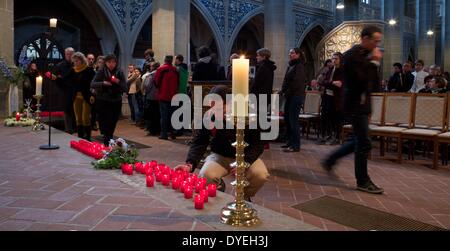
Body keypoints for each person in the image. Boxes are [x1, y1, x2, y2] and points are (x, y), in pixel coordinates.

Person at [174, 85, 270, 201]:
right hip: (221, 155)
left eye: (220, 108)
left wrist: (246, 162)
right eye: (212, 107)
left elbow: (258, 144)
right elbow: (200, 142)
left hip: (246, 156)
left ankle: (244, 198)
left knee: (260, 175)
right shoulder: (210, 116)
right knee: (205, 176)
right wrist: (190, 164)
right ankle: (219, 186)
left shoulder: (248, 116)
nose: (214, 112)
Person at [322, 25, 385, 195]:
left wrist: (370, 106)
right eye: (375, 41)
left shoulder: (367, 56)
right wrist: (374, 62)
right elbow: (360, 82)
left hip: (364, 105)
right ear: (365, 38)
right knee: (364, 142)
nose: (377, 44)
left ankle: (330, 159)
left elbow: (374, 84)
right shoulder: (351, 56)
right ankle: (363, 181)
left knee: (360, 140)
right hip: (355, 104)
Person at [91, 54, 126, 146]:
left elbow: (125, 87)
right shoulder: (102, 71)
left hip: (116, 101)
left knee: (113, 121)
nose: (111, 64)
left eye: (113, 62)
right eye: (109, 62)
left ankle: (109, 138)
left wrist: (117, 82)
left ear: (116, 62)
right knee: (105, 122)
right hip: (103, 100)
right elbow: (93, 84)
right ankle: (108, 141)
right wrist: (103, 83)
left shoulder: (119, 72)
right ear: (106, 63)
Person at [280, 48, 307, 153]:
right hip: (290, 96)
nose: (290, 54)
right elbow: (286, 80)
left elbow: (297, 83)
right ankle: (290, 142)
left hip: (296, 96)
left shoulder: (299, 66)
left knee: (293, 121)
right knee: (287, 119)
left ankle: (295, 146)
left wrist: (287, 92)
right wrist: (283, 90)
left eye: (292, 53)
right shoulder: (292, 65)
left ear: (298, 55)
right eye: (290, 52)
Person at [69, 52, 96, 141]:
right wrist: (56, 78)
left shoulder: (89, 70)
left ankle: (88, 138)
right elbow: (67, 81)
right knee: (78, 118)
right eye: (74, 61)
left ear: (81, 60)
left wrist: (92, 94)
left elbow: (93, 84)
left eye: (77, 61)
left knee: (85, 118)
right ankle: (80, 137)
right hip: (76, 97)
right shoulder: (73, 70)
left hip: (87, 97)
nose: (75, 63)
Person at [320, 52, 345, 146]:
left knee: (336, 119)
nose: (334, 60)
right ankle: (328, 135)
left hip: (337, 98)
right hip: (327, 97)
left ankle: (337, 137)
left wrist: (331, 83)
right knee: (327, 117)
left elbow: (341, 85)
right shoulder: (330, 69)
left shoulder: (343, 70)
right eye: (333, 58)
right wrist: (332, 83)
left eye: (336, 58)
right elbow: (323, 82)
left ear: (340, 59)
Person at [154, 55, 179, 140]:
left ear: (165, 60)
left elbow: (156, 82)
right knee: (173, 116)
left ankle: (164, 134)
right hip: (173, 96)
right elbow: (178, 82)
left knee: (164, 116)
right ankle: (172, 133)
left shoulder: (161, 69)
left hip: (163, 95)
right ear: (171, 61)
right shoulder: (175, 70)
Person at [53, 47, 75, 134]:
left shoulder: (77, 64)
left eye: (71, 54)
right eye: (68, 54)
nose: (69, 56)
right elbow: (54, 78)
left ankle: (76, 128)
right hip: (65, 91)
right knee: (67, 110)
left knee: (75, 110)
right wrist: (61, 85)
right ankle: (68, 129)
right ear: (65, 55)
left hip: (76, 91)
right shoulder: (60, 65)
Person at [143, 62, 161, 136]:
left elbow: (147, 86)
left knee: (151, 114)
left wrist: (145, 92)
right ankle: (158, 129)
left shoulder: (151, 75)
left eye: (151, 66)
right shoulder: (161, 74)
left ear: (153, 67)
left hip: (151, 96)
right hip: (159, 96)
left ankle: (152, 130)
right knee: (157, 114)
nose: (150, 67)